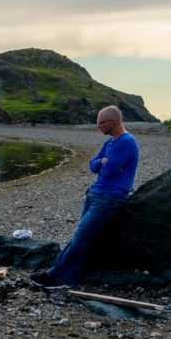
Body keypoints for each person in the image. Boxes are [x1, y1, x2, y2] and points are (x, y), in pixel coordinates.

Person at [30, 105, 140, 290]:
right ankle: (69, 280)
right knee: (82, 238)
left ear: (112, 123)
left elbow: (108, 171)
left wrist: (103, 164)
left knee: (80, 237)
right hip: (94, 194)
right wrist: (101, 162)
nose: (98, 127)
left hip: (109, 199)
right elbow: (92, 165)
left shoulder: (126, 142)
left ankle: (52, 275)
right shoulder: (110, 142)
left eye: (100, 123)